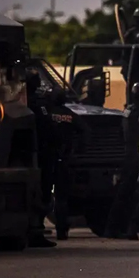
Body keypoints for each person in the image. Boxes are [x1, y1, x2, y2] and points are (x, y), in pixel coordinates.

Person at [103, 82, 139, 240]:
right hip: (136, 156)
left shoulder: (128, 110)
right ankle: (123, 227)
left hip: (129, 155)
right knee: (134, 193)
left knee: (124, 194)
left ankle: (115, 228)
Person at [50, 88, 90, 240]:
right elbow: (85, 131)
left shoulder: (46, 112)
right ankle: (61, 230)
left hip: (47, 159)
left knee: (43, 194)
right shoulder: (69, 114)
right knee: (61, 197)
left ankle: (36, 228)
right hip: (64, 159)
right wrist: (77, 150)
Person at [24, 70, 57, 248]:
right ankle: (35, 230)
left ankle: (36, 229)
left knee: (42, 191)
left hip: (41, 153)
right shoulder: (35, 103)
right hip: (40, 153)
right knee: (39, 192)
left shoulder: (32, 102)